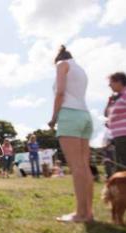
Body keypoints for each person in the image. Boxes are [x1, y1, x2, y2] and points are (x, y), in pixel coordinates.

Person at [48, 45, 94, 223]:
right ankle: (88, 212)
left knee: (77, 167)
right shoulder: (80, 69)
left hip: (69, 114)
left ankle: (81, 214)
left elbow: (60, 92)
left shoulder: (62, 64)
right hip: (85, 115)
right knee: (84, 166)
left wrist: (53, 118)